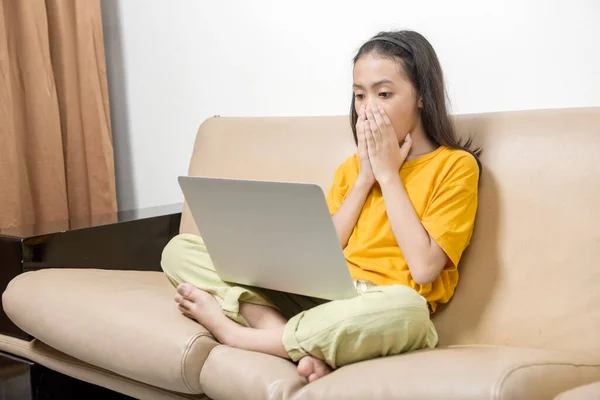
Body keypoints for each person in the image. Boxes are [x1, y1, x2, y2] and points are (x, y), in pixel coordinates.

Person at [161, 30, 481, 383]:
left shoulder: (455, 166)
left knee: (410, 314)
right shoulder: (351, 169)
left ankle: (239, 335)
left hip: (381, 305)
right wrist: (365, 178)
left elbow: (423, 269)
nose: (367, 108)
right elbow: (326, 250)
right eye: (359, 95)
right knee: (181, 249)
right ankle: (290, 337)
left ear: (421, 95)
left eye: (384, 93)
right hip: (322, 296)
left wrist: (389, 176)